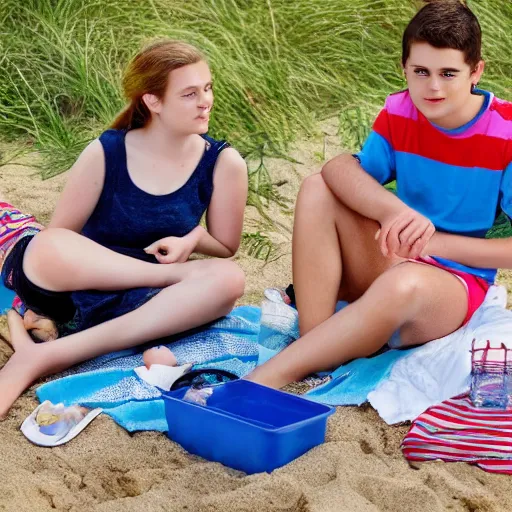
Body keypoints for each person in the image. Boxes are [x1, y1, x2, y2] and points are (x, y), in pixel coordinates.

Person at [247, 0, 512, 389]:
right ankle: (316, 343)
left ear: (476, 71)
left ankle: (267, 377)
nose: (432, 87)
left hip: (452, 283)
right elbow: (338, 169)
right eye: (420, 72)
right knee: (317, 188)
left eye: (448, 73)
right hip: (394, 254)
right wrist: (392, 211)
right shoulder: (400, 110)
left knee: (400, 284)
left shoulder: (505, 133)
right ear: (403, 68)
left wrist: (433, 242)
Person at [0, 39, 248, 418]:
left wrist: (194, 238)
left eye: (208, 88)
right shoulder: (108, 152)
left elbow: (227, 244)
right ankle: (57, 336)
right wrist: (172, 273)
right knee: (47, 246)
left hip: (147, 303)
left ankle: (47, 355)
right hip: (79, 293)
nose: (206, 101)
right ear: (153, 101)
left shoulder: (224, 163)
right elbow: (59, 241)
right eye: (190, 93)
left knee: (229, 279)